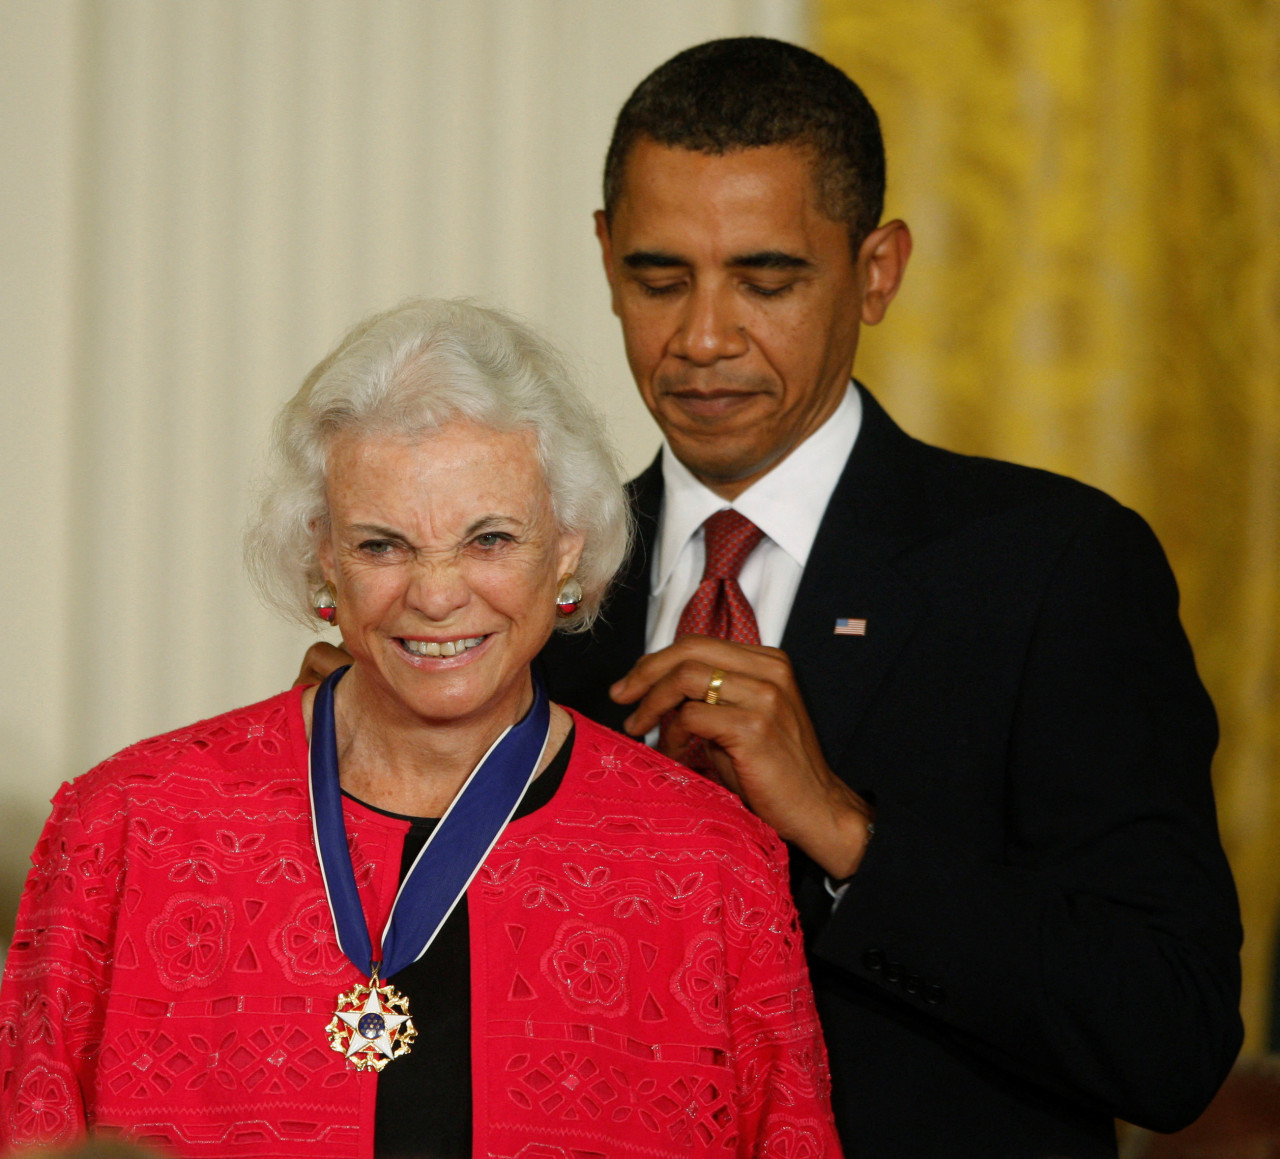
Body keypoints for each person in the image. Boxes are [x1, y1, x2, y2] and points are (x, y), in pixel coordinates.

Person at [297, 38, 1244, 1159]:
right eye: (659, 279)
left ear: (876, 269)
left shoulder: (1051, 567)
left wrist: (843, 833)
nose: (702, 338)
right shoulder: (505, 589)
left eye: (766, 279)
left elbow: (1169, 1038)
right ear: (603, 260)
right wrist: (357, 807)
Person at [0, 299, 844, 1157]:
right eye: (382, 545)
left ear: (566, 548)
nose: (436, 594)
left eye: (489, 538)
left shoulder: (711, 867)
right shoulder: (125, 827)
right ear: (323, 554)